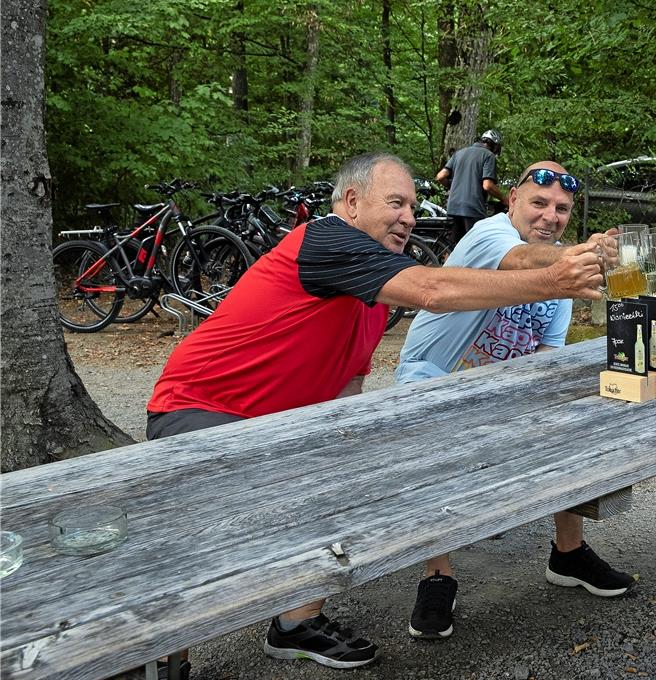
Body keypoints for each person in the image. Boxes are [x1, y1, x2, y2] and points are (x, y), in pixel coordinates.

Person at [145, 152, 603, 670]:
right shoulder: (325, 238)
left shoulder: (373, 289)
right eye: (396, 202)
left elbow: (349, 376)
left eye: (412, 204)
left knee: (345, 484)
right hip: (206, 406)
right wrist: (555, 280)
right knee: (196, 545)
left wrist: (350, 450)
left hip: (283, 425)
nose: (409, 216)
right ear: (352, 202)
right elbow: (432, 290)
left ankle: (296, 623)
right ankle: (164, 662)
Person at [395, 161, 634, 640]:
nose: (550, 216)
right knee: (436, 470)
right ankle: (437, 575)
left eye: (562, 209)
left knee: (576, 423)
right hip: (434, 382)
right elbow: (525, 261)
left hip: (502, 394)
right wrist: (586, 252)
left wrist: (550, 411)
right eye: (539, 204)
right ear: (514, 203)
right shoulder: (489, 235)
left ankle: (568, 554)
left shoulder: (562, 277)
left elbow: (547, 353)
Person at [436, 129, 507, 246]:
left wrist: (452, 186)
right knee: (476, 245)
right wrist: (505, 199)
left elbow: (440, 176)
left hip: (453, 206)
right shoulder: (488, 155)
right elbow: (488, 185)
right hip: (473, 207)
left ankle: (447, 263)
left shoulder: (459, 153)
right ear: (494, 145)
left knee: (453, 246)